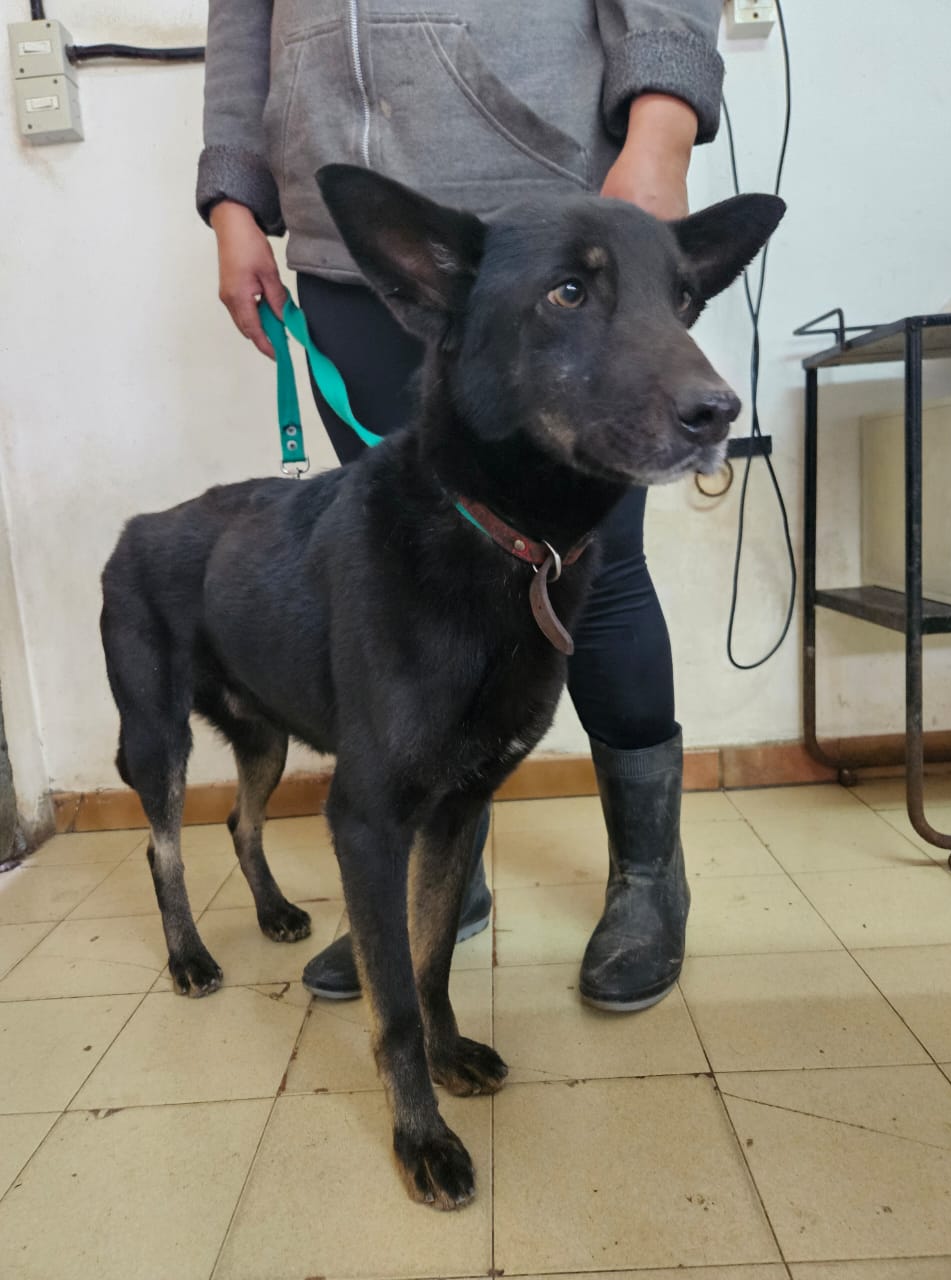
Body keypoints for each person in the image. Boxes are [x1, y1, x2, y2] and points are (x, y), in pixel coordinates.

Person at [198, 1, 725, 1012]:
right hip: (351, 244)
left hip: (553, 231)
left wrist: (661, 127)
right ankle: (447, 873)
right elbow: (242, 18)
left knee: (590, 572)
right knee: (399, 583)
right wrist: (235, 197)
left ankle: (651, 880)